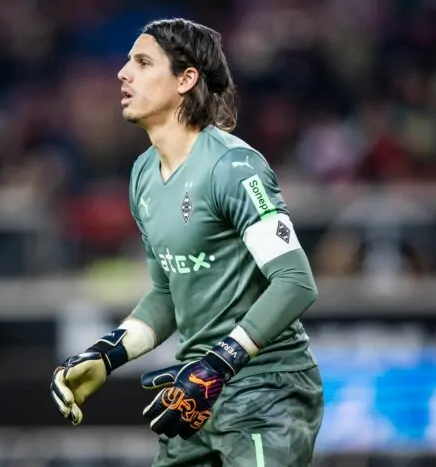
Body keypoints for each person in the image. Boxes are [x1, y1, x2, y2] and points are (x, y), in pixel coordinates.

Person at [50, 18, 324, 466]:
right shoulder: (143, 174)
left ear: (186, 79)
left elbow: (295, 282)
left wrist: (219, 363)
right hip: (194, 398)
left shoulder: (234, 167)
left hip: (266, 394)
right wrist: (106, 355)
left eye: (142, 62)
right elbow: (166, 295)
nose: (123, 73)